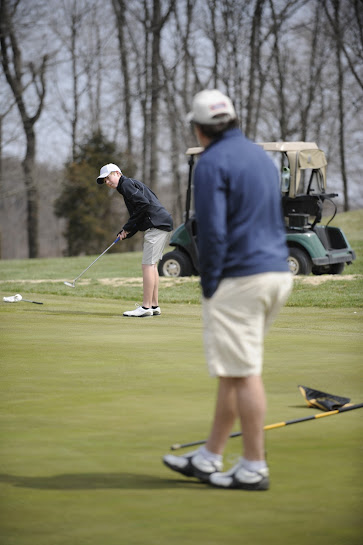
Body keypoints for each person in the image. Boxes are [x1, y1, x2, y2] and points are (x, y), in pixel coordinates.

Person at [163, 89, 293, 490]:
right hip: (276, 273)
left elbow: (213, 233)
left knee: (244, 372)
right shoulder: (259, 156)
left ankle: (254, 466)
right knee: (233, 373)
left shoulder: (210, 163)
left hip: (241, 277)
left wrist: (209, 284)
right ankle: (209, 457)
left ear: (199, 129)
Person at [96, 164, 173, 317]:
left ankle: (145, 308)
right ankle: (154, 305)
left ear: (117, 173)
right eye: (105, 181)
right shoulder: (130, 184)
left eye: (108, 177)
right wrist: (127, 231)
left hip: (156, 225)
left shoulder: (126, 185)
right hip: (162, 223)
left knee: (147, 266)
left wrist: (127, 227)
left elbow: (143, 205)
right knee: (152, 265)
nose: (108, 182)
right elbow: (140, 214)